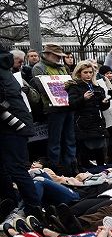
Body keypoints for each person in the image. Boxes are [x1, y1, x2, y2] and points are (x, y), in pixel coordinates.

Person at [0, 49, 40, 219]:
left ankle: (33, 208)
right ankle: (11, 202)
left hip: (12, 125)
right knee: (6, 168)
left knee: (16, 169)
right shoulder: (4, 68)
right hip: (14, 123)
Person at [32, 44, 76, 173]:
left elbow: (70, 85)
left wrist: (70, 85)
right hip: (53, 109)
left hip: (67, 106)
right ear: (47, 54)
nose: (58, 58)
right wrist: (65, 86)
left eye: (59, 56)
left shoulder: (63, 68)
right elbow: (43, 89)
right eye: (56, 56)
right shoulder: (39, 68)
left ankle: (71, 166)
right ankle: (55, 168)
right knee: (55, 140)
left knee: (70, 138)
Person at [65, 61, 111, 166]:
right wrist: (83, 98)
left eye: (90, 72)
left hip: (97, 122)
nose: (88, 75)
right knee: (84, 152)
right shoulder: (75, 87)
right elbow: (72, 104)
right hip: (82, 123)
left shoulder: (97, 86)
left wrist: (105, 102)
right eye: (85, 72)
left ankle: (101, 170)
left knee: (100, 151)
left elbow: (103, 107)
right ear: (79, 73)